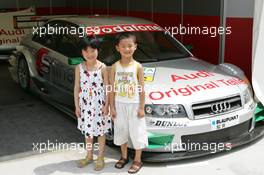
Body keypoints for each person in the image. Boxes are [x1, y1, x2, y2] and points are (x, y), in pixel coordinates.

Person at [109, 32, 148, 174]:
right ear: (117, 48)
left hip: (134, 104)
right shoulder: (114, 66)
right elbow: (112, 88)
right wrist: (112, 107)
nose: (127, 49)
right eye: (123, 46)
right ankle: (124, 156)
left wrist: (142, 107)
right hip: (119, 104)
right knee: (121, 130)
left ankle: (138, 159)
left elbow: (142, 89)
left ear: (135, 47)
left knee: (137, 132)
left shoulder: (138, 67)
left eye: (130, 46)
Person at [74, 37, 111, 171]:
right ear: (82, 52)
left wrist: (107, 105)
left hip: (99, 104)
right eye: (86, 51)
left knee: (100, 132)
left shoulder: (103, 67)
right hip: (85, 105)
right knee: (87, 132)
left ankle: (100, 157)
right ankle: (89, 155)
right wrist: (77, 106)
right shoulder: (79, 67)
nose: (89, 54)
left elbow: (107, 87)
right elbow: (76, 87)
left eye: (93, 50)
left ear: (98, 51)